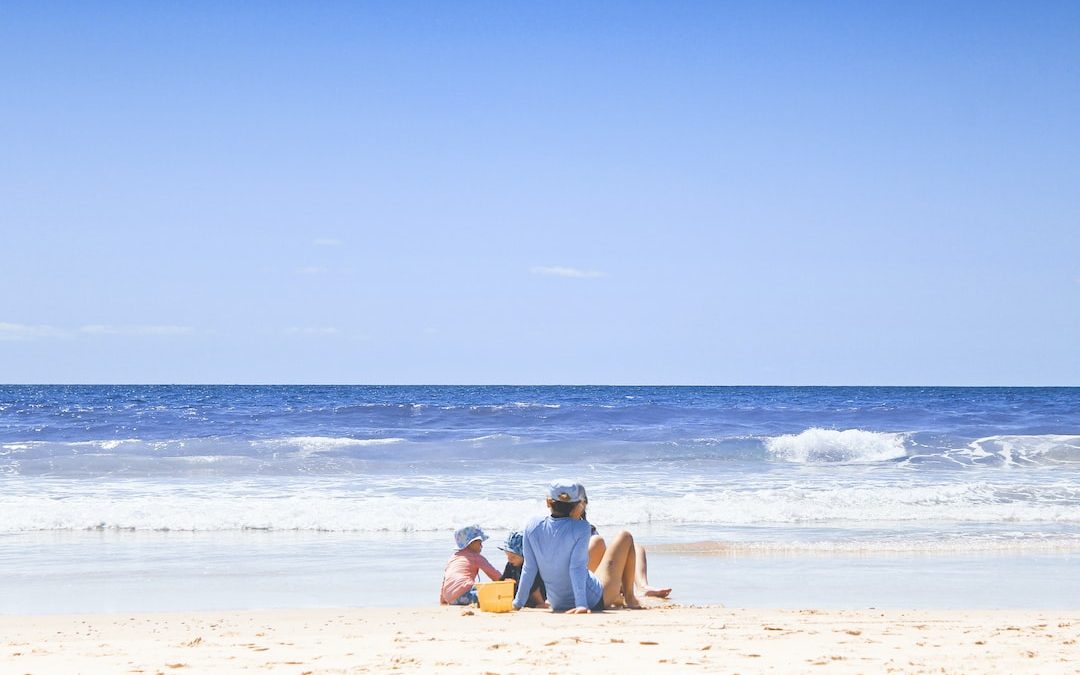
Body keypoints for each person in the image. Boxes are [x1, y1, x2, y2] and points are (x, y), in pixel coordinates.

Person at [512, 480, 643, 613]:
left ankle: (619, 595)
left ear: (548, 502)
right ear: (577, 504)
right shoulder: (581, 528)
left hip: (557, 603)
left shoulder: (532, 526)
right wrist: (581, 604)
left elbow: (529, 567)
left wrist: (518, 603)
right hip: (594, 600)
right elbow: (577, 567)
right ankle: (630, 598)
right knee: (625, 536)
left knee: (596, 545)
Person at [578, 487, 672, 599]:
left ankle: (642, 586)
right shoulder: (564, 529)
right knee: (599, 543)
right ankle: (625, 590)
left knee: (636, 548)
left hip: (594, 573)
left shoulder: (587, 528)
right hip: (583, 578)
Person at [439, 525, 502, 606]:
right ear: (471, 543)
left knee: (477, 588)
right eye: (480, 543)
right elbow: (493, 574)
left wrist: (442, 600)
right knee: (493, 593)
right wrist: (506, 584)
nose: (482, 546)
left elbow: (445, 579)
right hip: (464, 594)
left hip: (449, 598)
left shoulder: (453, 557)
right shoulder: (475, 557)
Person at [499, 530, 548, 608]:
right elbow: (501, 580)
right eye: (507, 556)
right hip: (519, 593)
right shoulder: (510, 565)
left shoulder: (532, 566)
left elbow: (533, 584)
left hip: (535, 591)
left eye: (513, 557)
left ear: (525, 555)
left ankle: (541, 602)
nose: (509, 559)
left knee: (532, 583)